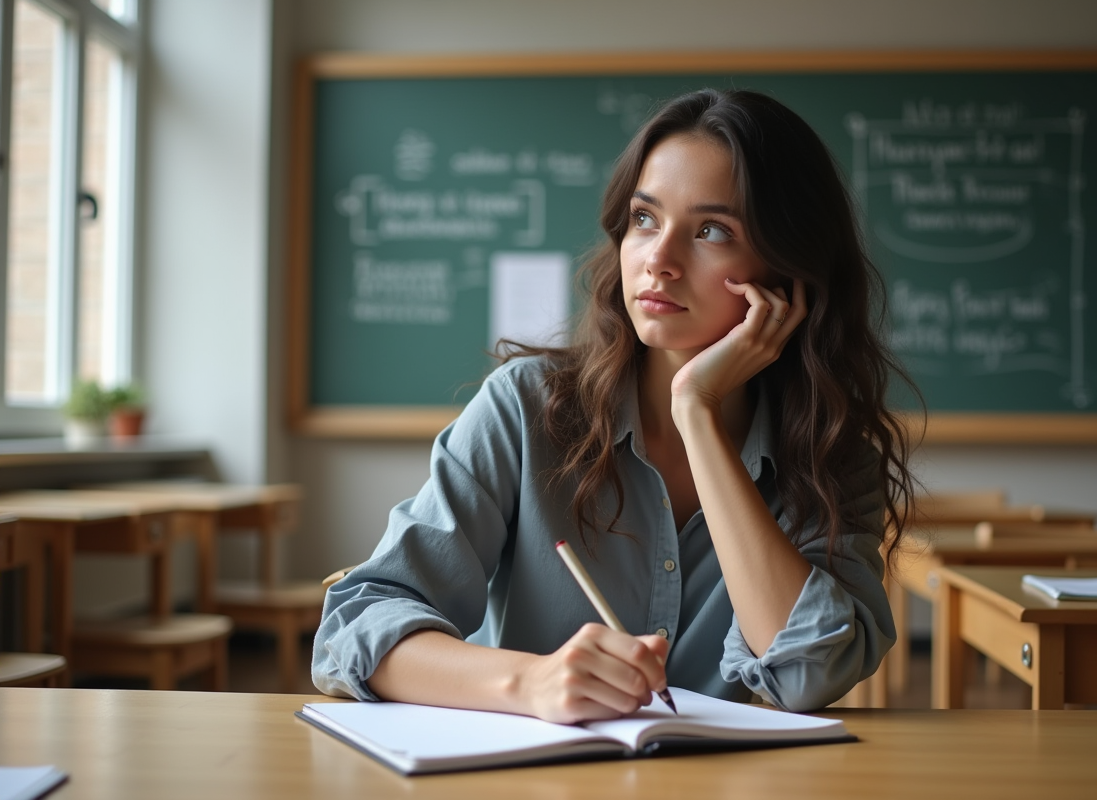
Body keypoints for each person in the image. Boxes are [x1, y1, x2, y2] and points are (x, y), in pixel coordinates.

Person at [313, 88, 916, 720]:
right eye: (645, 219)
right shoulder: (526, 409)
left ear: (789, 274)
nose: (659, 259)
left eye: (712, 231)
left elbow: (811, 673)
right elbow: (355, 626)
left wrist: (698, 413)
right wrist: (531, 684)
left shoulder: (833, 457)